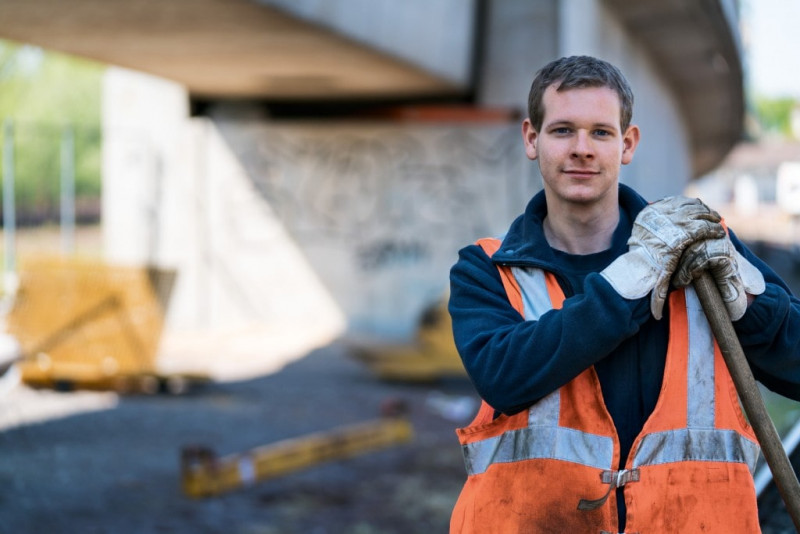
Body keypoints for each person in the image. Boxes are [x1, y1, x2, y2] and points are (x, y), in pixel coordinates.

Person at [447, 55, 800, 533]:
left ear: (627, 144)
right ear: (532, 139)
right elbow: (505, 377)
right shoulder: (487, 270)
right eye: (563, 130)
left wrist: (750, 299)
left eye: (601, 132)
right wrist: (631, 278)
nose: (582, 149)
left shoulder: (699, 246)